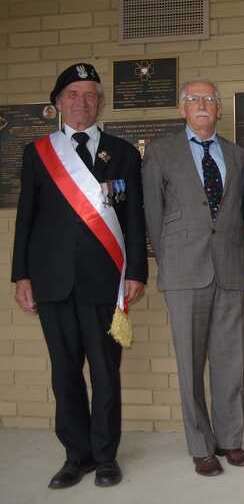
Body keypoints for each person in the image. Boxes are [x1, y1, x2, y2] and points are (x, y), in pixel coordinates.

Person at [11, 63, 147, 489]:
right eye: (72, 94)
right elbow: (26, 219)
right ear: (57, 102)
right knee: (64, 371)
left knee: (106, 372)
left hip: (104, 281)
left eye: (90, 95)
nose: (82, 102)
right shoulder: (38, 153)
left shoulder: (122, 152)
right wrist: (22, 276)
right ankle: (77, 456)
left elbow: (134, 217)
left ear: (100, 103)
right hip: (52, 282)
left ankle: (106, 456)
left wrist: (136, 272)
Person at [142, 80, 244, 477]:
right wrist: (171, 261)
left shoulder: (239, 156)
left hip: (229, 268)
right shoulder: (160, 152)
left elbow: (239, 212)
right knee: (190, 362)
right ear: (182, 107)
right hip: (184, 271)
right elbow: (152, 217)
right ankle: (201, 446)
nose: (202, 105)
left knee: (230, 359)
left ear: (219, 109)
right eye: (194, 99)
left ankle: (230, 440)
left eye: (209, 99)